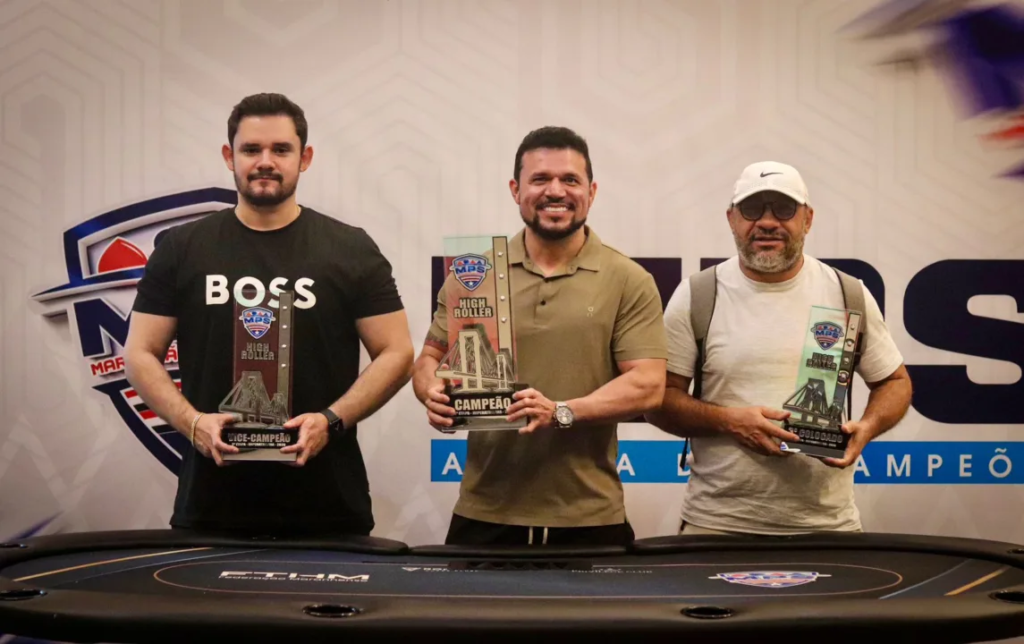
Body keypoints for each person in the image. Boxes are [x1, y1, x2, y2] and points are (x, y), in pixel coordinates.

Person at [124, 93, 414, 537]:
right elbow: (140, 353)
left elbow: (397, 352)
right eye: (251, 149)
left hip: (328, 503)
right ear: (229, 156)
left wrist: (331, 421)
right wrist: (193, 423)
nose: (265, 162)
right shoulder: (181, 248)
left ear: (305, 158)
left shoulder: (350, 248)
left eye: (280, 149)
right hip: (213, 503)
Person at [411, 126, 668, 547]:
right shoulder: (473, 275)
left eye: (570, 179)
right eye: (540, 179)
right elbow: (428, 358)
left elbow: (649, 385)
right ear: (516, 190)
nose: (555, 191)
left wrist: (562, 411)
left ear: (591, 191)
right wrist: (431, 391)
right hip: (483, 512)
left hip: (589, 517)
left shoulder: (628, 279)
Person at [646, 161, 913, 536]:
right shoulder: (698, 294)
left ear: (808, 219)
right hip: (715, 526)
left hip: (828, 526)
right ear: (731, 219)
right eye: (752, 209)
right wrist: (728, 421)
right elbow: (658, 400)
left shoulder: (847, 292)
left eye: (784, 209)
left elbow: (895, 382)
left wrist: (867, 427)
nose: (767, 222)